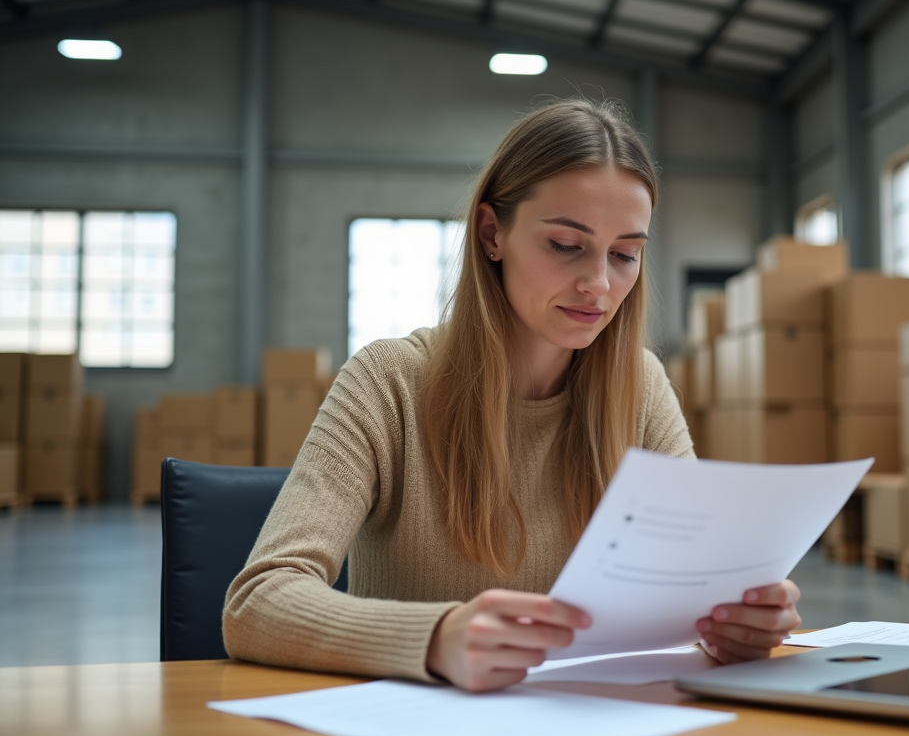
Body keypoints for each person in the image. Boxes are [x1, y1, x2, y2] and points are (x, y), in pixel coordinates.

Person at [223, 98, 802, 693]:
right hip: (423, 727)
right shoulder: (386, 382)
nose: (599, 284)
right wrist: (436, 638)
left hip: (591, 721)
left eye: (625, 254)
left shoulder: (642, 387)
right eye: (565, 245)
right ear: (491, 233)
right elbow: (258, 601)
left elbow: (696, 583)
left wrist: (729, 623)